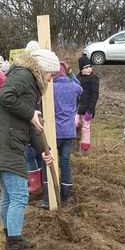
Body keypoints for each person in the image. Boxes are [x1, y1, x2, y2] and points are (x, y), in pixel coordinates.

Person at [0, 47, 59, 250]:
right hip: (6, 145)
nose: (50, 79)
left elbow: (32, 124)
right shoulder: (24, 75)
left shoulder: (30, 83)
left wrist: (44, 151)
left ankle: (12, 241)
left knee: (8, 196)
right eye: (50, 74)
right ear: (42, 68)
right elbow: (3, 95)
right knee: (18, 196)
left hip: (9, 142)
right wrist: (29, 113)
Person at [37, 61, 83, 208]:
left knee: (48, 163)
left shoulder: (49, 87)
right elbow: (79, 86)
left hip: (52, 132)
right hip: (69, 133)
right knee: (65, 163)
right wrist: (70, 72)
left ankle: (47, 198)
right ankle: (64, 198)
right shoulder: (74, 86)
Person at [75, 56, 99, 157]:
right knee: (75, 125)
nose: (88, 69)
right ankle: (74, 144)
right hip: (77, 109)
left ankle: (84, 149)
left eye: (90, 67)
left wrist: (90, 110)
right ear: (81, 69)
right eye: (85, 67)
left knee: (85, 128)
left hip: (87, 109)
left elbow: (94, 95)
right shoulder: (77, 78)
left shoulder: (93, 78)